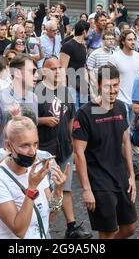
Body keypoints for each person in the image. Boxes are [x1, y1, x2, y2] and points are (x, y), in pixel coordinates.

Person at [72, 64, 137, 239]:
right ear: (99, 85)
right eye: (108, 86)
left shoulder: (121, 108)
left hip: (119, 175)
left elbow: (126, 143)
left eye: (116, 85)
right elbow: (78, 153)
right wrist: (86, 189)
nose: (113, 90)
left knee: (130, 227)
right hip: (98, 180)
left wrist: (131, 176)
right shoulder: (85, 113)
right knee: (107, 231)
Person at [35, 56, 92, 239]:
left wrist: (72, 141)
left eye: (60, 67)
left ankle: (71, 226)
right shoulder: (36, 92)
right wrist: (42, 120)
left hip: (64, 149)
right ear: (44, 71)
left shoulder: (66, 92)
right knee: (44, 191)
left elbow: (71, 119)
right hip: (44, 151)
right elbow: (27, 122)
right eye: (53, 68)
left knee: (65, 188)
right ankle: (42, 229)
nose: (58, 71)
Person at [0, 115, 68, 239]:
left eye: (35, 144)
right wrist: (31, 188)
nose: (33, 151)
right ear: (8, 146)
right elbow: (19, 230)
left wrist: (58, 190)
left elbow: (50, 218)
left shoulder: (37, 168)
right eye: (25, 145)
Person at [0, 54, 38, 155]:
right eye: (32, 71)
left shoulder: (34, 98)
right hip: (5, 162)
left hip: (28, 163)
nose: (37, 76)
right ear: (17, 73)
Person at [108, 29, 139, 125]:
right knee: (123, 130)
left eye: (134, 39)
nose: (133, 42)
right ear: (123, 41)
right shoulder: (114, 57)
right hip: (120, 99)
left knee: (132, 129)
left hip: (135, 100)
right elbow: (108, 79)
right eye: (130, 40)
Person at [60, 20, 90, 111]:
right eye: (89, 31)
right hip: (71, 86)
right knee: (74, 113)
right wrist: (63, 88)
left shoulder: (83, 46)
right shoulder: (68, 46)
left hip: (82, 86)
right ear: (84, 31)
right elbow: (62, 68)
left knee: (83, 112)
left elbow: (83, 66)